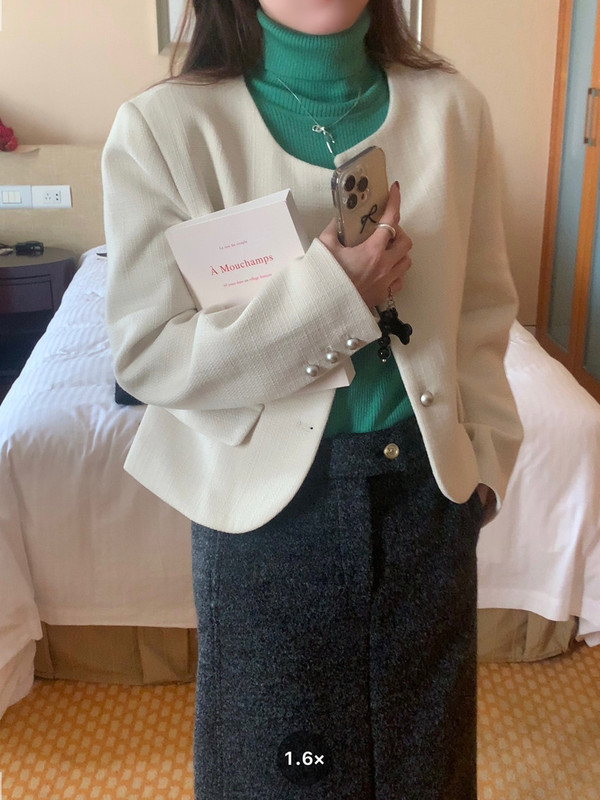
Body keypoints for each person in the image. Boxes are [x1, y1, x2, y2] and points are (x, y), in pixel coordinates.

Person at [102, 0, 523, 797]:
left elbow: (482, 314)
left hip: (426, 501)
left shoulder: (454, 109)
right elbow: (150, 353)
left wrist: (484, 470)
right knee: (286, 771)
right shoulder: (164, 128)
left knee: (422, 771)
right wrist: (335, 299)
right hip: (265, 523)